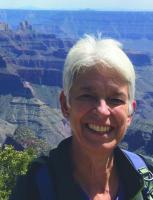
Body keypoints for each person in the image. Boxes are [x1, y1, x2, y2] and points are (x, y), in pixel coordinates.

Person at [10, 35, 153, 200]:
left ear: (130, 113)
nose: (102, 111)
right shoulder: (34, 188)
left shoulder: (145, 176)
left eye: (115, 100)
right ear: (65, 105)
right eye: (87, 96)